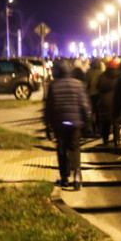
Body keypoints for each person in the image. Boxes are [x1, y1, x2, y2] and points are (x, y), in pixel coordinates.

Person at [44, 59, 91, 190]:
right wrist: (87, 122)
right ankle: (77, 175)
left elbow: (49, 108)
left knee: (62, 149)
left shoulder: (53, 86)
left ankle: (64, 178)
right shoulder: (78, 85)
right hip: (75, 122)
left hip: (60, 123)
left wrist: (47, 125)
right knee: (75, 147)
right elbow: (85, 105)